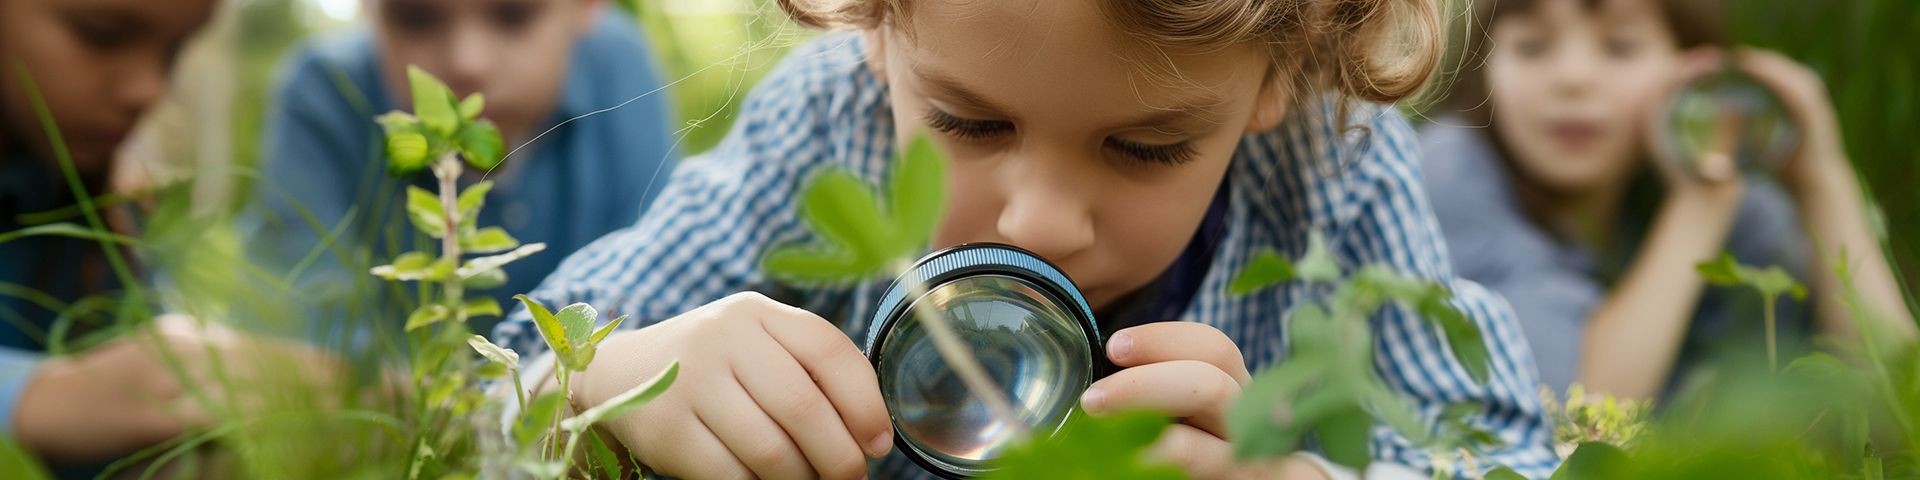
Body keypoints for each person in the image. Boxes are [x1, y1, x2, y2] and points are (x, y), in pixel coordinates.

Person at [493, 0, 1560, 478]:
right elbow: (483, 393)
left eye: (1146, 147)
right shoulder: (820, 131)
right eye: (968, 123)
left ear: (1279, 80)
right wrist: (603, 387)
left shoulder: (1333, 172)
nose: (1040, 221)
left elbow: (1506, 452)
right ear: (875, 31)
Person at [1421, 0, 1916, 399]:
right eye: (1531, 48)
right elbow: (1582, 419)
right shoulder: (1446, 175)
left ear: (1693, 71)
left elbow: (1900, 415)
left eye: (1620, 48)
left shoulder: (1735, 204)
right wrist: (1701, 202)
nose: (1572, 78)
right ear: (1484, 71)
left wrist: (1823, 178)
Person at [1, 0, 333, 470]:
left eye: (176, 49)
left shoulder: (96, 218)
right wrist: (32, 396)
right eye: (102, 33)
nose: (149, 89)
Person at [247, 0, 679, 332]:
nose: (467, 63)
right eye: (417, 19)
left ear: (585, 7)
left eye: (513, 15)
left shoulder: (621, 67)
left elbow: (655, 298)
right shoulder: (325, 92)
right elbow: (299, 323)